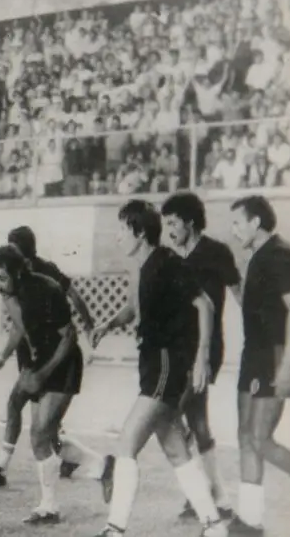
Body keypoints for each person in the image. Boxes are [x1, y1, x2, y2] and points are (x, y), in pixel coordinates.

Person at [90, 200, 229, 537]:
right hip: (152, 362)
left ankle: (115, 529)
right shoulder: (143, 267)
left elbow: (205, 305)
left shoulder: (166, 262)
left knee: (127, 444)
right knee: (175, 448)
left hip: (168, 363)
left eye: (122, 229)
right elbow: (133, 308)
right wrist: (107, 325)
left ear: (139, 232)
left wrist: (202, 359)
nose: (117, 236)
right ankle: (213, 525)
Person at [0, 226, 105, 486]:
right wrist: (4, 358)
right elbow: (16, 322)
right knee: (37, 426)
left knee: (42, 431)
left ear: (21, 259)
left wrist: (90, 326)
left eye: (12, 250)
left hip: (59, 358)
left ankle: (51, 496)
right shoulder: (12, 286)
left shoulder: (43, 281)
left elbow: (69, 322)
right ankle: (97, 465)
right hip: (39, 354)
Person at [0, 244, 87, 525]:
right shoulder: (15, 292)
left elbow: (69, 337)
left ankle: (49, 507)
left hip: (63, 364)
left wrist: (43, 374)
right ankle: (103, 467)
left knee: (41, 434)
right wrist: (4, 358)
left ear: (18, 272)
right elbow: (20, 327)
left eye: (2, 278)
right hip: (42, 361)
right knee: (42, 432)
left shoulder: (43, 289)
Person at [160, 192, 240, 520]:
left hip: (204, 351)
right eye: (165, 224)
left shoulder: (216, 252)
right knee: (197, 420)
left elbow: (240, 293)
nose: (169, 230)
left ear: (190, 221)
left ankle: (209, 497)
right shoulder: (175, 258)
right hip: (180, 350)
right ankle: (217, 497)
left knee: (169, 416)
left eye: (173, 223)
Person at [228, 195, 290, 535]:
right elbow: (253, 306)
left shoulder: (279, 253)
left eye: (237, 223)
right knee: (245, 435)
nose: (233, 230)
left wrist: (288, 362)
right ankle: (250, 520)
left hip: (274, 355)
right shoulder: (257, 256)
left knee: (260, 439)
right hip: (253, 355)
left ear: (255, 221)